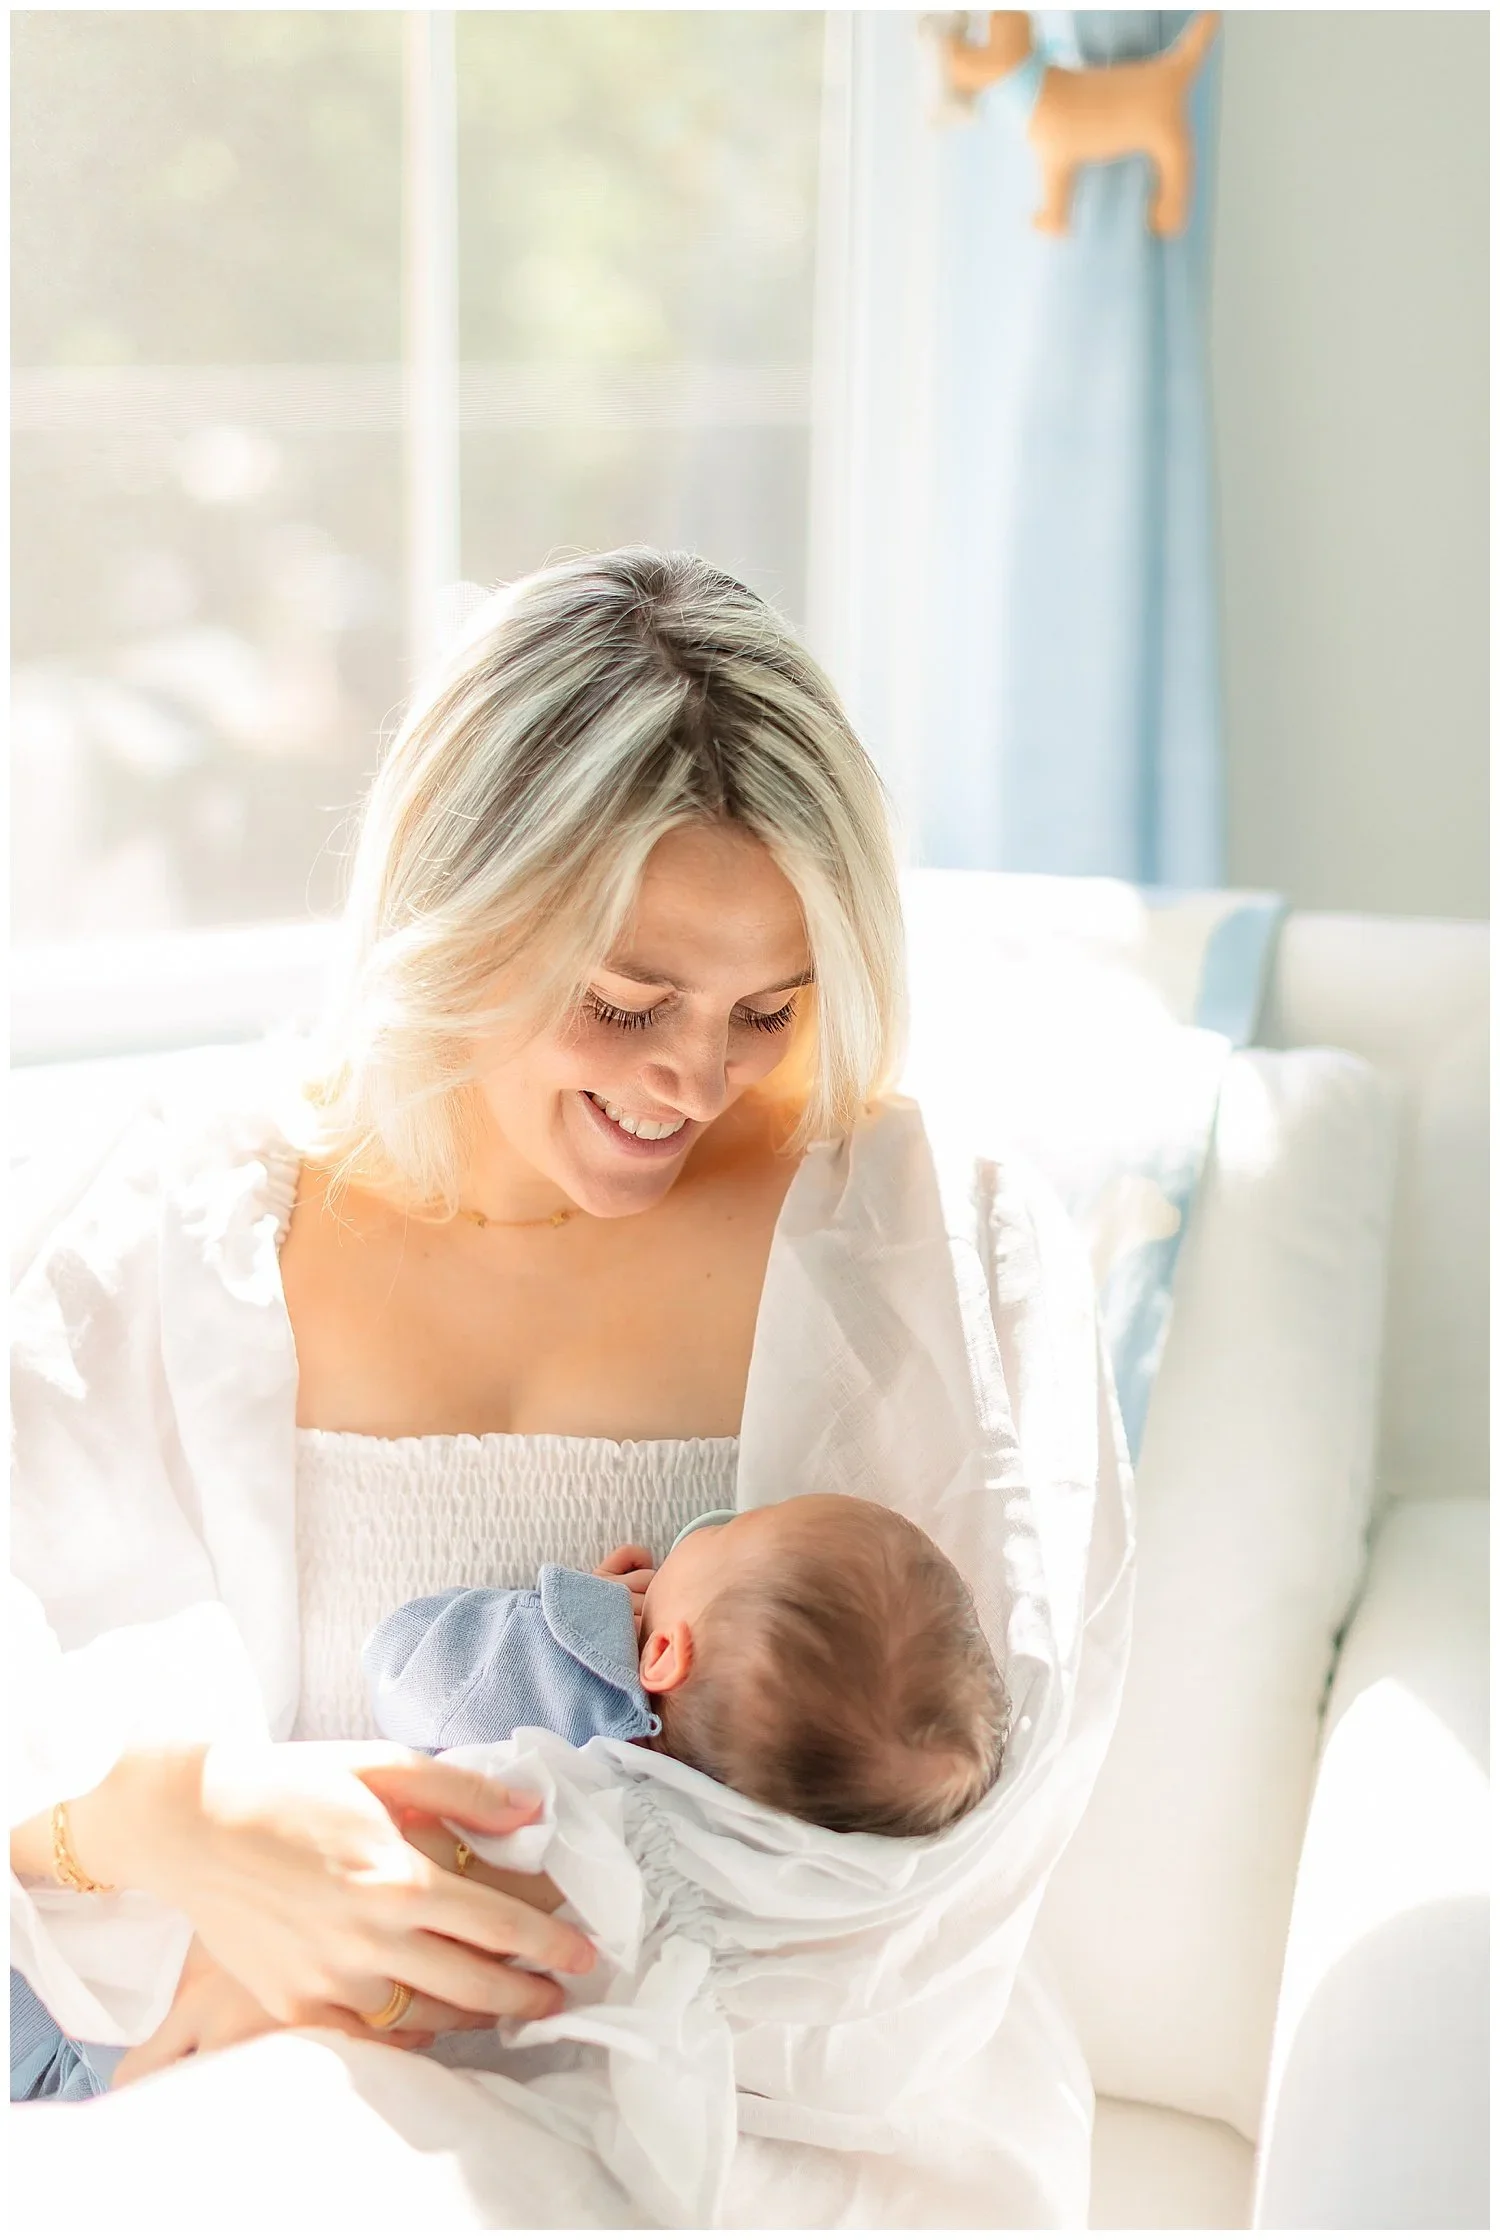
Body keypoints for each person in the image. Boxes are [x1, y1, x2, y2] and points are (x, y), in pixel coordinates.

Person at [10, 548, 1133, 2229]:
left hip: (719, 2146)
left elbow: (957, 1845)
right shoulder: (182, 1228)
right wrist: (172, 1818)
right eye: (625, 1002)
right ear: (454, 917)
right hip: (221, 2109)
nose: (696, 1076)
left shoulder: (920, 1245)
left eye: (769, 1006)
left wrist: (550, 1943)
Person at [364, 1497, 1011, 1835]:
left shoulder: (570, 1684)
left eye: (729, 1531)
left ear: (663, 1655)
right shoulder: (733, 1827)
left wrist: (577, 1622)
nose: (712, 1523)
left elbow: (398, 1661)